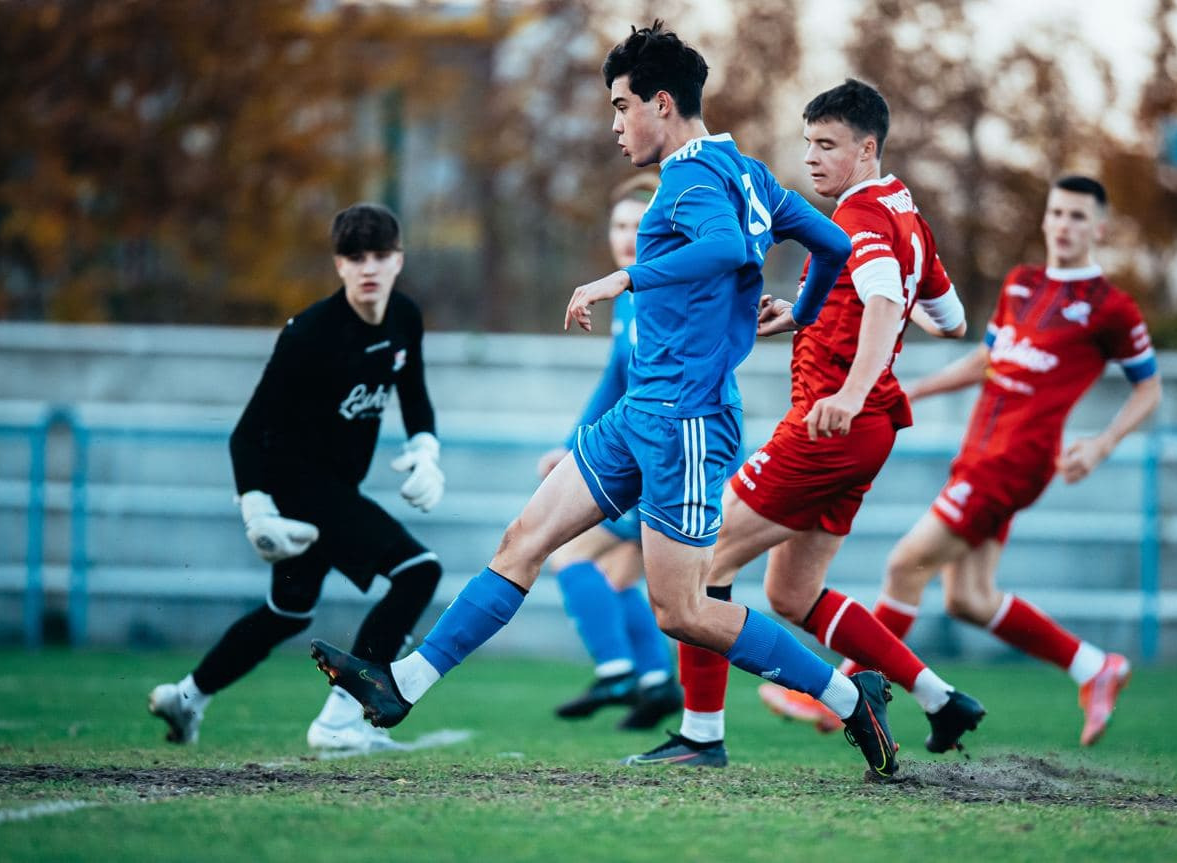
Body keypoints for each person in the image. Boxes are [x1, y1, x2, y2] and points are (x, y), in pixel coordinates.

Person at [311, 21, 906, 780]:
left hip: (687, 422)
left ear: (663, 103)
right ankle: (401, 685)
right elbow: (832, 246)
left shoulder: (694, 179)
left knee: (683, 610)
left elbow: (727, 248)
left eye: (622, 106)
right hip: (639, 415)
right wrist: (802, 311)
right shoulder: (749, 173)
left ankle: (851, 698)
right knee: (524, 540)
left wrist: (621, 278)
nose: (616, 125)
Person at [623, 78, 985, 768]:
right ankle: (940, 698)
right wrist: (812, 315)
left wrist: (850, 388)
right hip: (868, 430)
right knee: (792, 593)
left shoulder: (862, 216)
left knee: (705, 559)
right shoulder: (907, 213)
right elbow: (951, 319)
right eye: (809, 143)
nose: (812, 158)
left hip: (832, 425)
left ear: (868, 149)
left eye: (828, 145)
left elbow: (884, 302)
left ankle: (702, 734)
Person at [844, 175, 1161, 746]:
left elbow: (1149, 388)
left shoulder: (1110, 308)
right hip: (979, 452)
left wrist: (1101, 444)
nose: (1064, 225)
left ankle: (841, 696)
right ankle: (1095, 666)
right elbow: (985, 362)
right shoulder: (1021, 284)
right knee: (968, 598)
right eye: (1057, 213)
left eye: (1078, 216)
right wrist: (912, 390)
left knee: (906, 563)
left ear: (1099, 228)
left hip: (1015, 462)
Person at [148, 203, 446, 753]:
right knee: (418, 572)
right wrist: (256, 506)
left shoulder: (405, 317)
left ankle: (186, 698)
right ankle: (342, 718)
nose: (369, 267)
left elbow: (415, 395)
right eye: (355, 256)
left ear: (399, 260)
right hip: (299, 486)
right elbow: (246, 433)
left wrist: (425, 450)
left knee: (287, 612)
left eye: (380, 255)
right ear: (339, 264)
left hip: (336, 489)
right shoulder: (311, 333)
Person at [540, 173, 685, 730]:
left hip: (670, 462)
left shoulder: (667, 295)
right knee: (620, 579)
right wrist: (569, 446)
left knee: (567, 552)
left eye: (639, 225)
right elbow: (615, 382)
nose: (627, 236)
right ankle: (656, 683)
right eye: (619, 225)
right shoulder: (628, 298)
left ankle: (617, 671)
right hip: (650, 459)